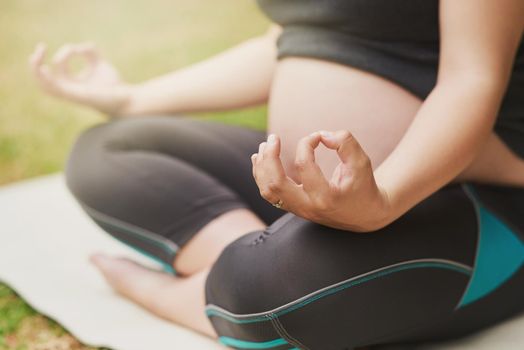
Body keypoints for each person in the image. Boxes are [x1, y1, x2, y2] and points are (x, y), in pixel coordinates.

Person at [30, 1, 524, 349]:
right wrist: (134, 99)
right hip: (329, 197)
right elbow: (296, 41)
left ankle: (185, 294)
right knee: (109, 148)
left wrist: (384, 201)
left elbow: (472, 76)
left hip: (471, 198)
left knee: (264, 289)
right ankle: (240, 272)